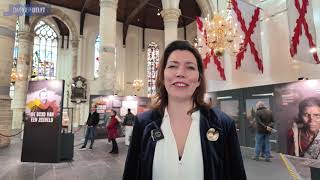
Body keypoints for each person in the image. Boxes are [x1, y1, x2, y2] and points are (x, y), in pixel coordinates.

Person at [122, 40, 246, 180]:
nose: (180, 73)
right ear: (162, 76)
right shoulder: (143, 123)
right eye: (173, 66)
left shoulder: (223, 124)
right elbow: (131, 173)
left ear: (199, 79)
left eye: (190, 67)